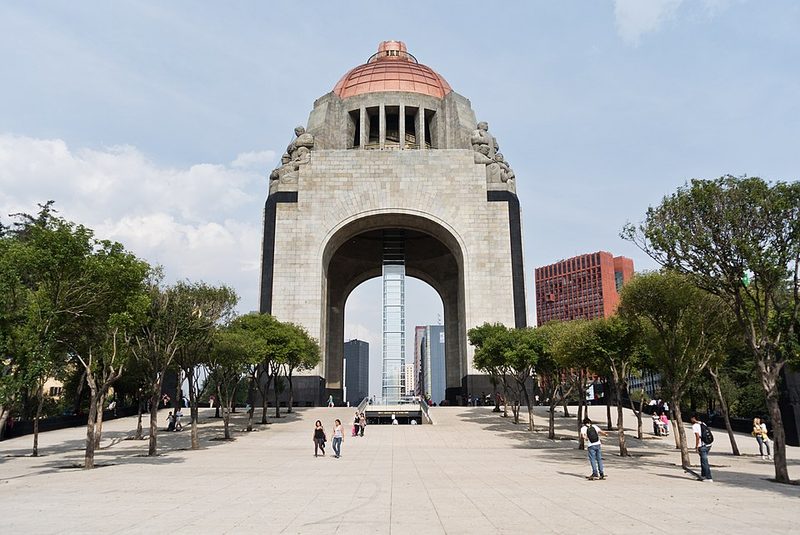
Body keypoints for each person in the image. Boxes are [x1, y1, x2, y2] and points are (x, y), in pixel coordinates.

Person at [691, 414, 713, 481]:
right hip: (708, 444)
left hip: (702, 445)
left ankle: (708, 477)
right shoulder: (703, 423)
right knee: (703, 460)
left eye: (691, 418)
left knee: (704, 462)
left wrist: (697, 446)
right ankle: (703, 475)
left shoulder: (695, 426)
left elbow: (697, 437)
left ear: (694, 418)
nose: (691, 420)